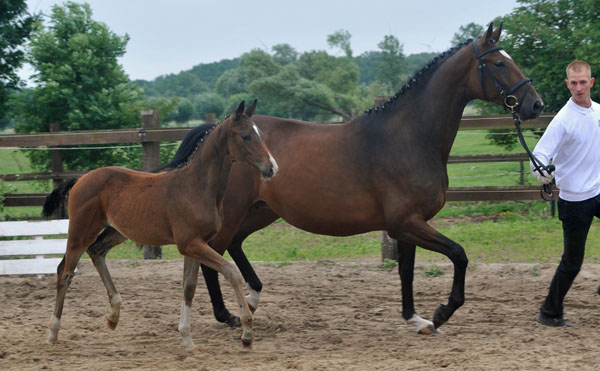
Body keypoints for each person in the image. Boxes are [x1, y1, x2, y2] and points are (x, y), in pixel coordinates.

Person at [531, 60, 600, 327]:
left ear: (591, 82)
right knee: (572, 263)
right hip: (575, 201)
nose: (579, 88)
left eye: (583, 82)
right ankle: (550, 312)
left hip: (597, 190)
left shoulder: (597, 112)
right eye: (574, 83)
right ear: (567, 84)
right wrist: (542, 172)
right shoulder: (563, 120)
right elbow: (539, 155)